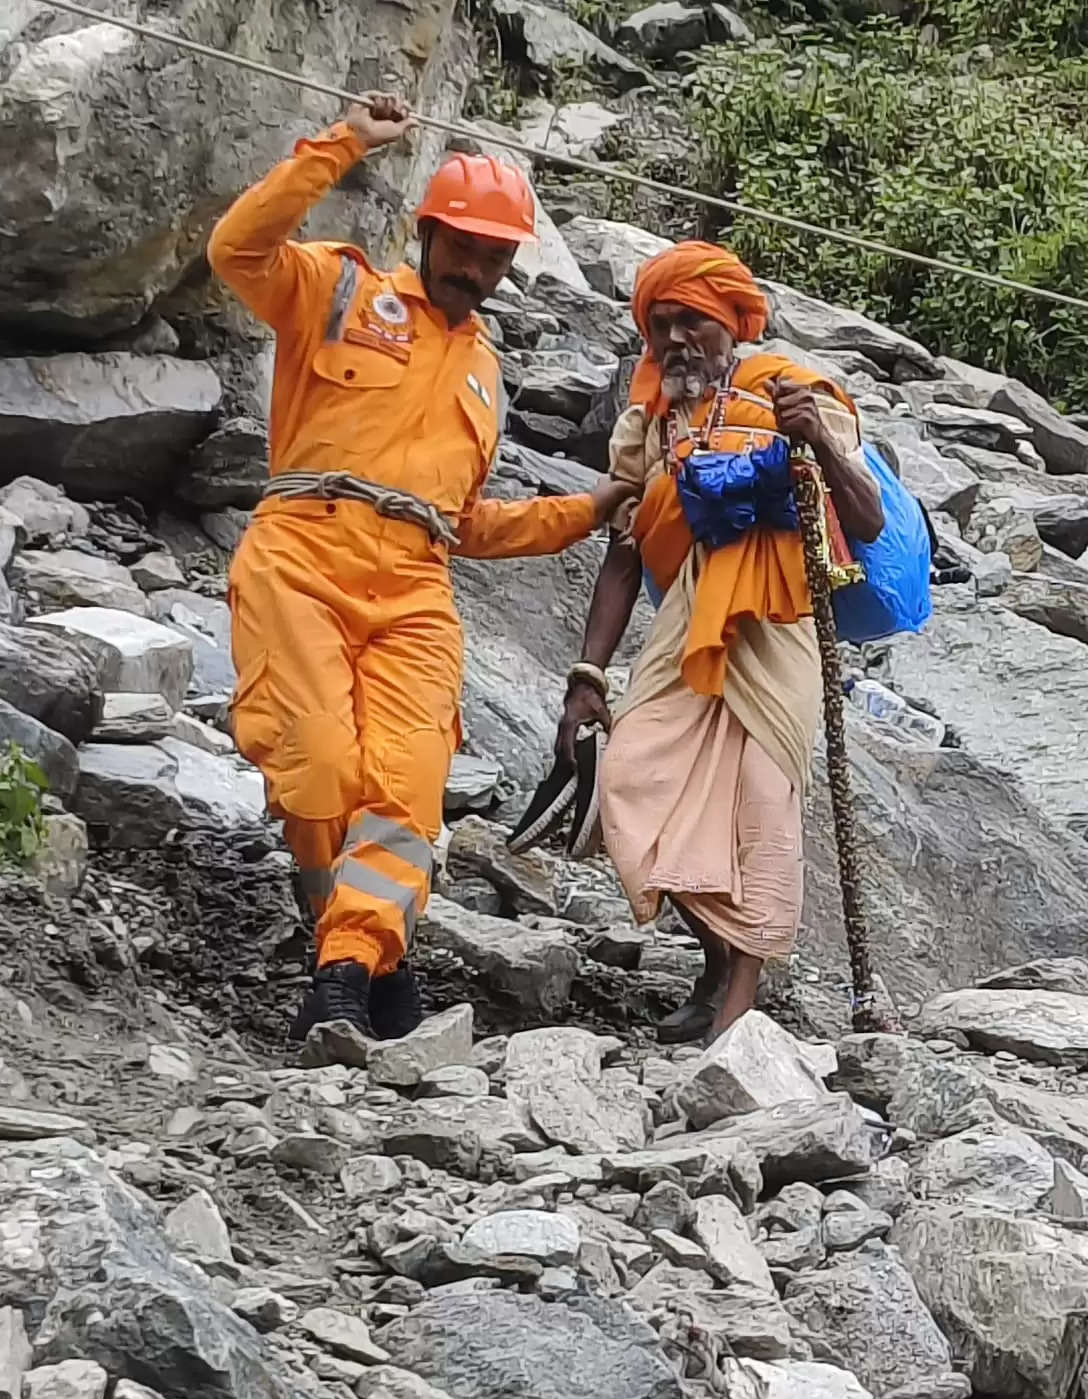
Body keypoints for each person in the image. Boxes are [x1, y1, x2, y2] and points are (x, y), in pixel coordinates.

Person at [208, 96, 631, 1056]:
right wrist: (343, 143)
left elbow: (465, 523)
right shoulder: (338, 291)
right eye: (464, 246)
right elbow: (238, 249)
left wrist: (588, 509)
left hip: (416, 590)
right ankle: (375, 968)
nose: (475, 269)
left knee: (406, 788)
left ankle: (347, 971)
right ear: (427, 229)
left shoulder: (485, 372)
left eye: (495, 257)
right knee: (319, 768)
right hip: (303, 553)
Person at [557, 242, 885, 1044]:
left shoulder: (789, 390)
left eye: (691, 322)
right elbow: (626, 555)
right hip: (686, 628)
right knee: (632, 777)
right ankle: (714, 961)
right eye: (659, 324)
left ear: (732, 324)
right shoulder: (650, 424)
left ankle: (735, 1017)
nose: (673, 339)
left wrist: (825, 447)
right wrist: (588, 671)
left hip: (780, 628)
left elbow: (867, 521)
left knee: (762, 813)